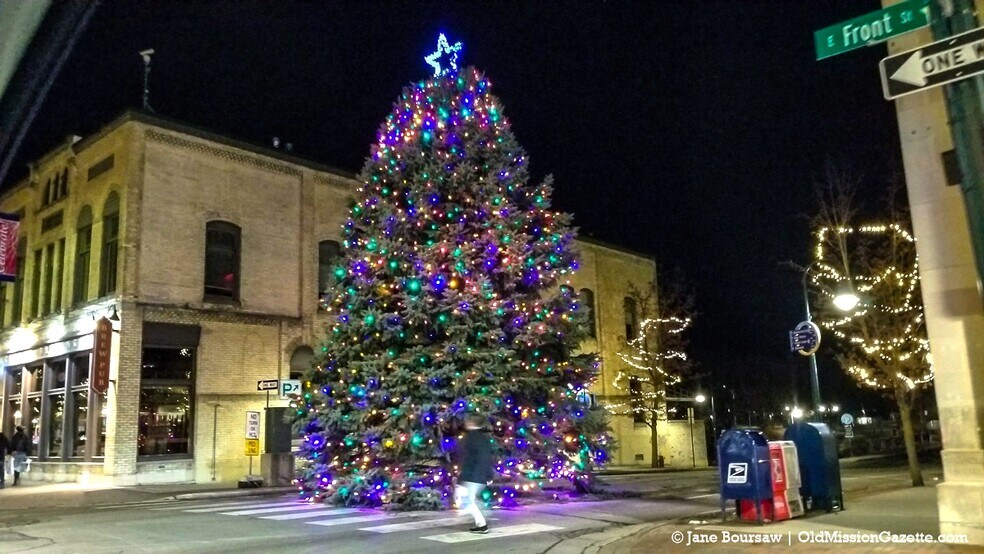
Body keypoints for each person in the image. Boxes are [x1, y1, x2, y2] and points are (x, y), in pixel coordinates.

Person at [456, 414, 494, 534]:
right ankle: (481, 522)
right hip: (481, 475)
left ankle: (482, 524)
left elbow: (467, 458)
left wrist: (463, 474)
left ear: (471, 423)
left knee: (467, 500)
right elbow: (487, 458)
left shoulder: (470, 438)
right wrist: (489, 474)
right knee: (469, 499)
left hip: (472, 475)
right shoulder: (485, 438)